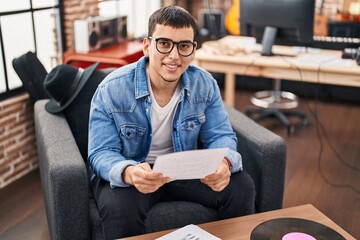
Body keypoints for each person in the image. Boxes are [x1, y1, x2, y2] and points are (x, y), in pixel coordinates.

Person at [88, 5, 256, 239]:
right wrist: (128, 172)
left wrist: (225, 162)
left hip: (183, 169)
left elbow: (221, 135)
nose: (174, 56)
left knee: (241, 186)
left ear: (193, 49)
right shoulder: (112, 89)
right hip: (137, 171)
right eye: (164, 44)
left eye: (184, 46)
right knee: (119, 205)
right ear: (147, 46)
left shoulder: (204, 84)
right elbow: (101, 152)